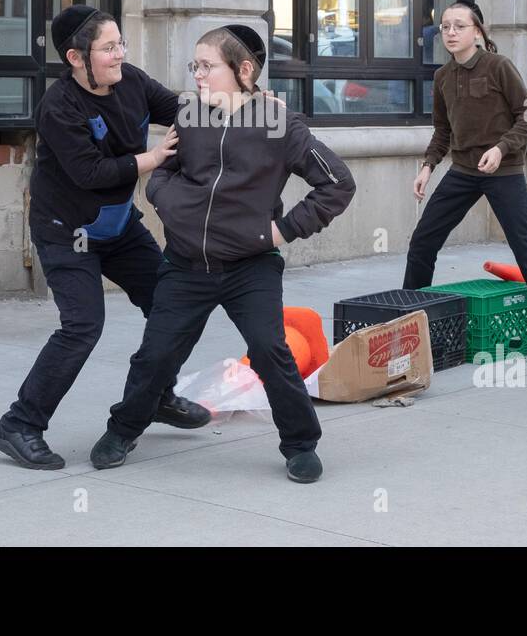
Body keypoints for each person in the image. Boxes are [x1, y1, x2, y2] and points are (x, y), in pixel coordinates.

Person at [90, 25, 355, 483]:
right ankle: (123, 428)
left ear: (244, 70)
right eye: (195, 65)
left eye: (207, 66)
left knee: (272, 352)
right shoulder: (190, 116)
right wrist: (175, 208)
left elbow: (337, 184)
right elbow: (161, 174)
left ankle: (300, 445)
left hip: (251, 267)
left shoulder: (280, 125)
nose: (197, 75)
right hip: (185, 264)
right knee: (155, 355)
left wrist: (282, 230)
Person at [0, 5, 210, 470]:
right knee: (83, 327)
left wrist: (231, 104)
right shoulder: (59, 106)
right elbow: (90, 173)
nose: (120, 54)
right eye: (109, 48)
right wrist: (151, 160)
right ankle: (20, 424)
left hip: (119, 225)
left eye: (121, 43)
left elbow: (181, 110)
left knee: (173, 302)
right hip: (66, 230)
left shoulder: (132, 81)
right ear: (75, 57)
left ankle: (157, 395)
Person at [404, 1, 527, 361]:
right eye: (445, 27)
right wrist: (428, 165)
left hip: (503, 172)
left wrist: (502, 148)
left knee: (526, 250)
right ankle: (408, 325)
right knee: (422, 242)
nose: (451, 33)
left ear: (478, 32)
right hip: (463, 171)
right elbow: (443, 130)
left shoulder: (499, 67)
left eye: (459, 26)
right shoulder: (442, 78)